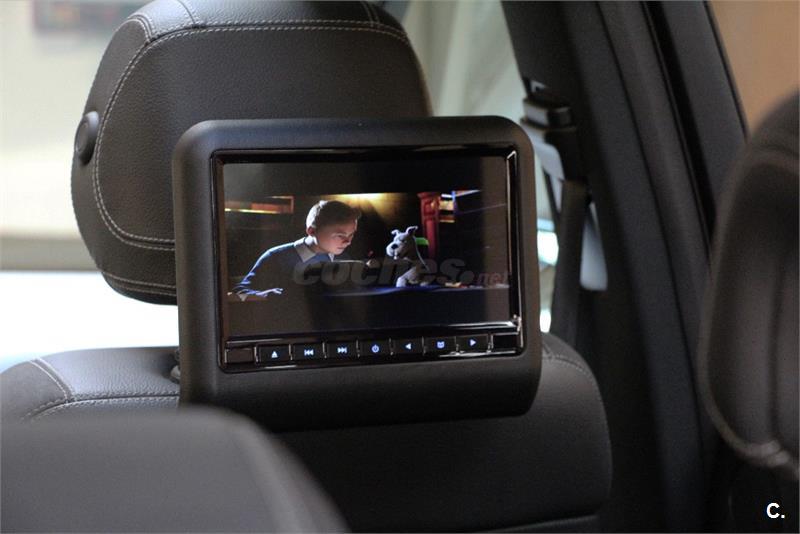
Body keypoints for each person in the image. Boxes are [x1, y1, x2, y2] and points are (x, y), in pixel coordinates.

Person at [232, 200, 361, 299]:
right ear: (312, 231)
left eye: (351, 235)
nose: (348, 241)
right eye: (340, 235)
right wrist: (264, 295)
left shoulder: (344, 259)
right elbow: (239, 291)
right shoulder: (276, 256)